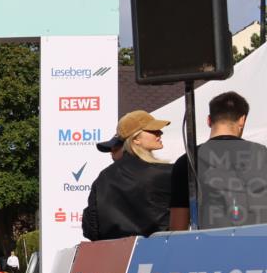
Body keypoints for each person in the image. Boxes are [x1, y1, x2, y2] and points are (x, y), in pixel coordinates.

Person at [169, 91, 267, 230]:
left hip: (209, 246)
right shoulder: (263, 155)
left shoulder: (188, 161)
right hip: (259, 246)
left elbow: (178, 227)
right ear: (242, 120)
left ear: (209, 120)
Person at [82, 110, 173, 241]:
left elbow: (91, 229)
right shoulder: (167, 173)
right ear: (136, 139)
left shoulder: (103, 177)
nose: (160, 133)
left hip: (116, 256)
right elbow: (180, 221)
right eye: (153, 130)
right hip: (159, 253)